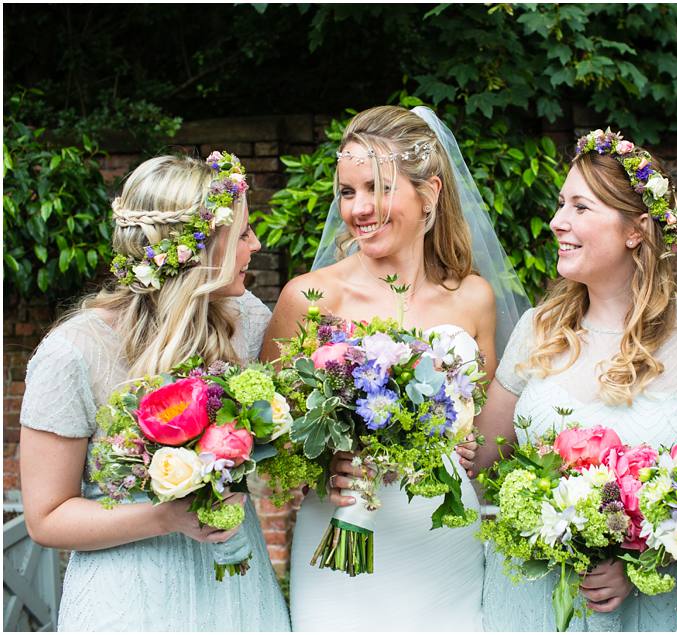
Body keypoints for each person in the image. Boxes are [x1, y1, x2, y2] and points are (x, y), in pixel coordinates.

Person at [462, 129, 677, 631]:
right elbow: (482, 461)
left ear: (636, 229)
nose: (558, 222)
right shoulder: (537, 328)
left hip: (653, 608)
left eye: (581, 207)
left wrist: (640, 564)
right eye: (561, 205)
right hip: (533, 601)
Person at [260, 104, 528, 631]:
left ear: (429, 192)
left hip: (443, 541)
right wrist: (321, 462)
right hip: (341, 541)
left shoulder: (473, 298)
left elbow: (489, 435)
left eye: (378, 188)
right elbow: (266, 438)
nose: (359, 208)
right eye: (348, 191)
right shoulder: (310, 298)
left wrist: (473, 447)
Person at [19, 152, 290, 630]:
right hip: (130, 594)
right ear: (202, 248)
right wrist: (167, 517)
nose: (256, 244)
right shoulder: (73, 353)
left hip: (237, 583)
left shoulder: (246, 320)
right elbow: (46, 517)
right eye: (243, 233)